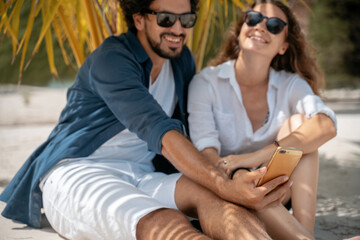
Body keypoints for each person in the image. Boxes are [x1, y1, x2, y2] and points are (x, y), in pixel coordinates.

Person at [0, 0, 292, 239]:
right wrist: (223, 181)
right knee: (168, 225)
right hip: (81, 173)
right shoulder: (111, 58)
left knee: (221, 203)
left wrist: (230, 177)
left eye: (186, 19)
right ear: (139, 19)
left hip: (143, 173)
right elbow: (158, 128)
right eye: (166, 19)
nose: (178, 29)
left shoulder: (181, 60)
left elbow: (189, 131)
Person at [188, 1, 337, 240]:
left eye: (275, 25)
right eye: (254, 18)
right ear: (240, 29)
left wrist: (254, 158)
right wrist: (238, 177)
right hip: (228, 190)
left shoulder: (290, 84)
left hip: (278, 191)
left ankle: (304, 230)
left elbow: (326, 125)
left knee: (302, 124)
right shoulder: (207, 83)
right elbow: (207, 155)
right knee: (244, 181)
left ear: (284, 46)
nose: (261, 27)